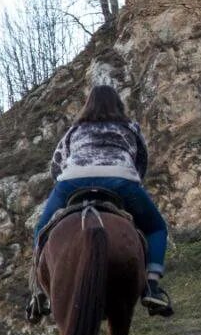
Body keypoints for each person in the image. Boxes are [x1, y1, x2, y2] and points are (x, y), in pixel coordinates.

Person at [30, 85, 172, 319]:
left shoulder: (74, 130)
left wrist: (70, 180)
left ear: (88, 105)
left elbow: (56, 166)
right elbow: (141, 162)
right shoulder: (130, 128)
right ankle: (151, 287)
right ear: (118, 105)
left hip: (73, 183)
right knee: (157, 228)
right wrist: (129, 183)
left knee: (42, 228)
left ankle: (39, 291)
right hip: (120, 180)